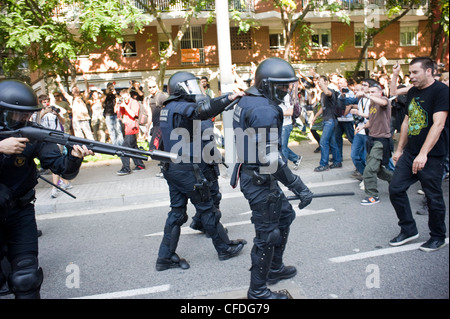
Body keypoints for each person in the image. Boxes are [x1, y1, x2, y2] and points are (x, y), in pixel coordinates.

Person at [0, 79, 93, 299]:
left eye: (27, 115)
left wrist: (73, 157)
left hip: (20, 213)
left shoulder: (33, 133)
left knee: (26, 278)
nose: (23, 120)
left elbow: (63, 170)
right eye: (16, 115)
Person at [231, 57, 313, 299]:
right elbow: (272, 159)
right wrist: (299, 186)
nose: (286, 91)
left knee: (286, 215)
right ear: (266, 84)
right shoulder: (264, 109)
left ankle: (274, 268)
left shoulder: (249, 99)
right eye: (282, 86)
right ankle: (257, 291)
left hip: (256, 174)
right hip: (259, 178)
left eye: (288, 86)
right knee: (267, 236)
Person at [156, 71, 246, 271]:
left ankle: (165, 257)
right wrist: (229, 97)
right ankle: (223, 248)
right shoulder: (182, 106)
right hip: (187, 169)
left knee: (177, 213)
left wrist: (225, 102)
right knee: (207, 209)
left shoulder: (168, 107)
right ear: (181, 88)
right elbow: (203, 111)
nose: (195, 89)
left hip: (173, 168)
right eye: (191, 85)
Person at [388, 57, 449, 252]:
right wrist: (399, 149)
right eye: (410, 72)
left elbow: (438, 124)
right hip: (410, 153)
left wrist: (423, 154)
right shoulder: (413, 92)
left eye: (415, 72)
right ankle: (409, 229)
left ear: (429, 71)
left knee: (433, 197)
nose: (411, 76)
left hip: (432, 155)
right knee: (396, 189)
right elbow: (407, 121)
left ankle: (438, 236)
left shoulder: (442, 92)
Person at [355, 81, 393, 205]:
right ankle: (396, 181)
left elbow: (383, 102)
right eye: (369, 92)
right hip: (372, 139)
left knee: (369, 170)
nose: (370, 94)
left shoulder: (384, 100)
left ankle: (372, 196)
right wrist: (362, 127)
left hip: (382, 141)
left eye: (373, 92)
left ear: (379, 92)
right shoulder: (372, 104)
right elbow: (372, 121)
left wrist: (367, 95)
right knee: (378, 170)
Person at [32, 94, 72, 198]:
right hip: (44, 140)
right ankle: (65, 182)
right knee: (52, 163)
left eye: (47, 101)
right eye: (44, 101)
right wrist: (44, 112)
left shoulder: (53, 110)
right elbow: (35, 124)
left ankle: (55, 188)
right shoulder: (36, 113)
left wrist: (57, 114)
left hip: (56, 139)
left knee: (55, 162)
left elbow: (63, 122)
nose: (46, 103)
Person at [310, 75, 341, 171]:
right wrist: (315, 117)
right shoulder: (322, 94)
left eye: (321, 82)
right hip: (326, 120)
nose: (319, 84)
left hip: (330, 121)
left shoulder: (330, 92)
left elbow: (327, 91)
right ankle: (337, 162)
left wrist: (319, 78)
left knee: (323, 142)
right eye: (318, 82)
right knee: (332, 142)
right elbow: (323, 108)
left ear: (326, 82)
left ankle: (324, 164)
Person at [116, 89, 146, 175]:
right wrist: (118, 105)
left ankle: (126, 168)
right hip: (127, 128)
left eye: (125, 97)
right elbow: (119, 115)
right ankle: (140, 165)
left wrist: (125, 106)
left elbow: (133, 114)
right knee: (133, 148)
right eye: (123, 98)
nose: (125, 99)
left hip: (132, 128)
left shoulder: (134, 102)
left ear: (129, 95)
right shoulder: (124, 103)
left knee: (124, 149)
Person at [55, 74, 94, 140]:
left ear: (79, 91)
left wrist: (86, 80)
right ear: (72, 92)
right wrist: (59, 83)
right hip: (76, 120)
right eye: (74, 90)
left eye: (77, 89)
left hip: (84, 119)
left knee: (89, 136)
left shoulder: (83, 98)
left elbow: (87, 90)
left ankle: (93, 149)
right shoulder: (71, 99)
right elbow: (64, 92)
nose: (75, 91)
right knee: (79, 137)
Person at [144, 77, 168, 177]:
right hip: (156, 126)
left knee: (154, 148)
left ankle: (165, 170)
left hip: (163, 126)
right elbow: (149, 115)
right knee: (160, 149)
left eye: (154, 86)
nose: (152, 89)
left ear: (157, 86)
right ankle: (164, 170)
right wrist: (147, 129)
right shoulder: (149, 99)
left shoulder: (162, 96)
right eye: (150, 87)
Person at [349, 80, 372, 179]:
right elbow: (361, 117)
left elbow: (373, 117)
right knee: (354, 155)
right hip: (359, 130)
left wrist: (358, 113)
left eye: (365, 85)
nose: (363, 87)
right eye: (362, 85)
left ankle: (368, 178)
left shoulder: (373, 100)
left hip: (368, 131)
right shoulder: (361, 100)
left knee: (365, 157)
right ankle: (365, 174)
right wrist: (357, 125)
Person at [334, 77, 355, 167]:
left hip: (347, 119)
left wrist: (343, 114)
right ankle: (339, 158)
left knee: (352, 138)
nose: (340, 84)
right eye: (339, 83)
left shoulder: (350, 93)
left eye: (341, 83)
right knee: (337, 138)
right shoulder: (337, 93)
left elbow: (349, 105)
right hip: (339, 120)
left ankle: (358, 154)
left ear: (346, 83)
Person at [280, 91, 302, 170]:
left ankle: (284, 169)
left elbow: (290, 112)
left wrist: (276, 112)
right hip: (278, 125)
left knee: (282, 148)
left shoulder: (286, 96)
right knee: (280, 146)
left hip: (285, 125)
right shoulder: (273, 94)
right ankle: (296, 158)